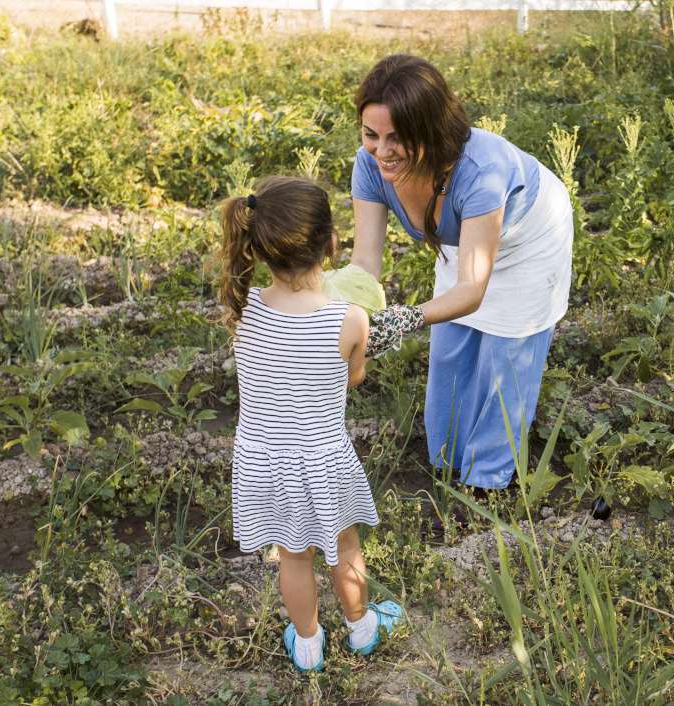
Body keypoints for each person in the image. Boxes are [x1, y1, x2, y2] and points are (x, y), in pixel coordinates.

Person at [351, 54, 573, 493]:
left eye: (398, 138)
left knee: (505, 362)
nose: (382, 151)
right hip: (467, 240)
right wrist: (346, 315)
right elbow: (364, 263)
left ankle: (489, 484)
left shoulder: (480, 174)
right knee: (451, 354)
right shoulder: (370, 166)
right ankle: (450, 465)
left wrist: (404, 319)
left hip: (527, 238)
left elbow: (471, 289)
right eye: (371, 134)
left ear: (430, 131)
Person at [219, 176, 403, 670]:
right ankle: (362, 629)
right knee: (344, 547)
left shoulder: (244, 309)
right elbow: (353, 379)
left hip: (264, 460)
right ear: (332, 243)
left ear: (257, 249)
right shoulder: (348, 319)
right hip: (322, 459)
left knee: (293, 556)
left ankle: (307, 645)